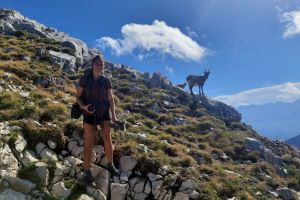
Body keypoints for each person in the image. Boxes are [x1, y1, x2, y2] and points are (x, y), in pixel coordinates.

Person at [76, 55, 119, 184]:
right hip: (89, 113)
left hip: (104, 112)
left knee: (107, 137)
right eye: (97, 64)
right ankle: (87, 171)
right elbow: (78, 96)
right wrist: (83, 106)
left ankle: (110, 164)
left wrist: (114, 115)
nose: (99, 66)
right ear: (92, 65)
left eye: (101, 64)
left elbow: (111, 99)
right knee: (89, 140)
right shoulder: (85, 79)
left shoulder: (106, 81)